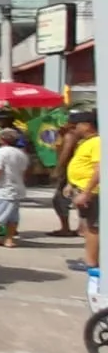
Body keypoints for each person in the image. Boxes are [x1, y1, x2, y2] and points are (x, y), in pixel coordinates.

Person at [67, 110, 100, 271]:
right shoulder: (86, 142)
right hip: (83, 188)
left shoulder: (97, 142)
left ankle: (91, 262)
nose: (74, 129)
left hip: (93, 192)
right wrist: (70, 184)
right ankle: (90, 258)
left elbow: (99, 169)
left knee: (93, 228)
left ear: (87, 125)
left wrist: (87, 192)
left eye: (76, 125)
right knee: (88, 227)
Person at [52, 122, 81, 237]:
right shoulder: (67, 135)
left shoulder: (70, 136)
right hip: (71, 171)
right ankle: (78, 228)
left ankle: (66, 228)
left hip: (68, 172)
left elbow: (66, 152)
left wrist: (58, 169)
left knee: (59, 199)